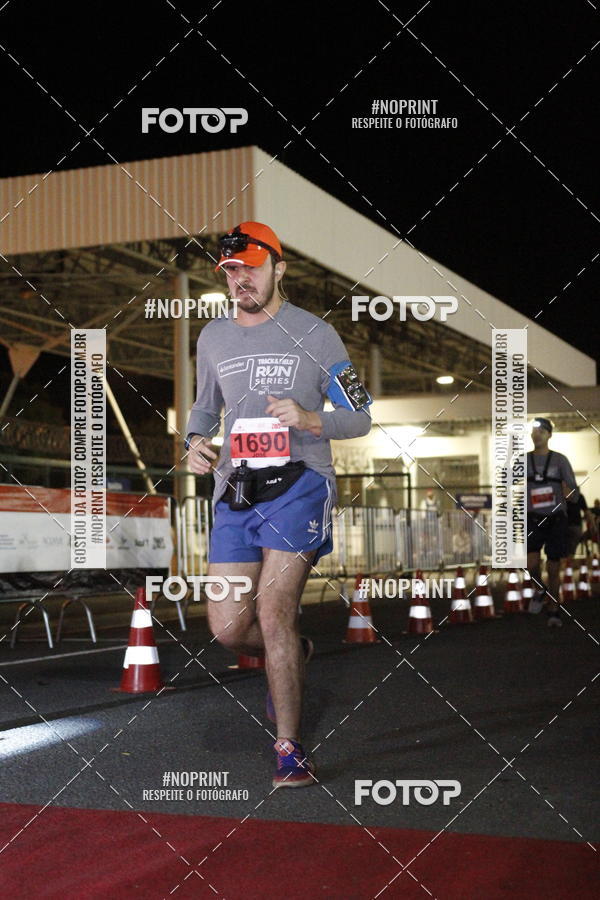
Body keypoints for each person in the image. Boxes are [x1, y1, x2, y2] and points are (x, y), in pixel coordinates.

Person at [185, 222, 372, 787]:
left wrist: (312, 418)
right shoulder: (212, 337)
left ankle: (290, 748)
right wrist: (194, 442)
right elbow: (203, 409)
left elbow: (360, 416)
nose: (240, 279)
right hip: (236, 489)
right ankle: (293, 650)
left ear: (279, 268)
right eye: (231, 271)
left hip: (300, 485)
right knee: (227, 628)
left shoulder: (318, 334)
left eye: (251, 267)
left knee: (273, 611)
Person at [526, 418, 578, 627]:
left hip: (556, 519)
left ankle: (554, 610)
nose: (536, 435)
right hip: (533, 518)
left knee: (554, 568)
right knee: (530, 564)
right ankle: (540, 589)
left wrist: (569, 492)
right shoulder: (523, 460)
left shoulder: (560, 460)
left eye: (541, 431)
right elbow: (505, 481)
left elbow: (575, 493)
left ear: (549, 435)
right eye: (534, 431)